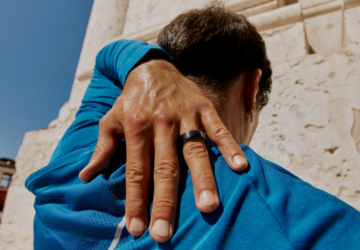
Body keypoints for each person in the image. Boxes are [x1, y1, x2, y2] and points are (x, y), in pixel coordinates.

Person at [26, 5, 360, 250]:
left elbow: (107, 57)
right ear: (251, 90)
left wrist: (148, 66)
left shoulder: (82, 150)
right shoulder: (283, 209)